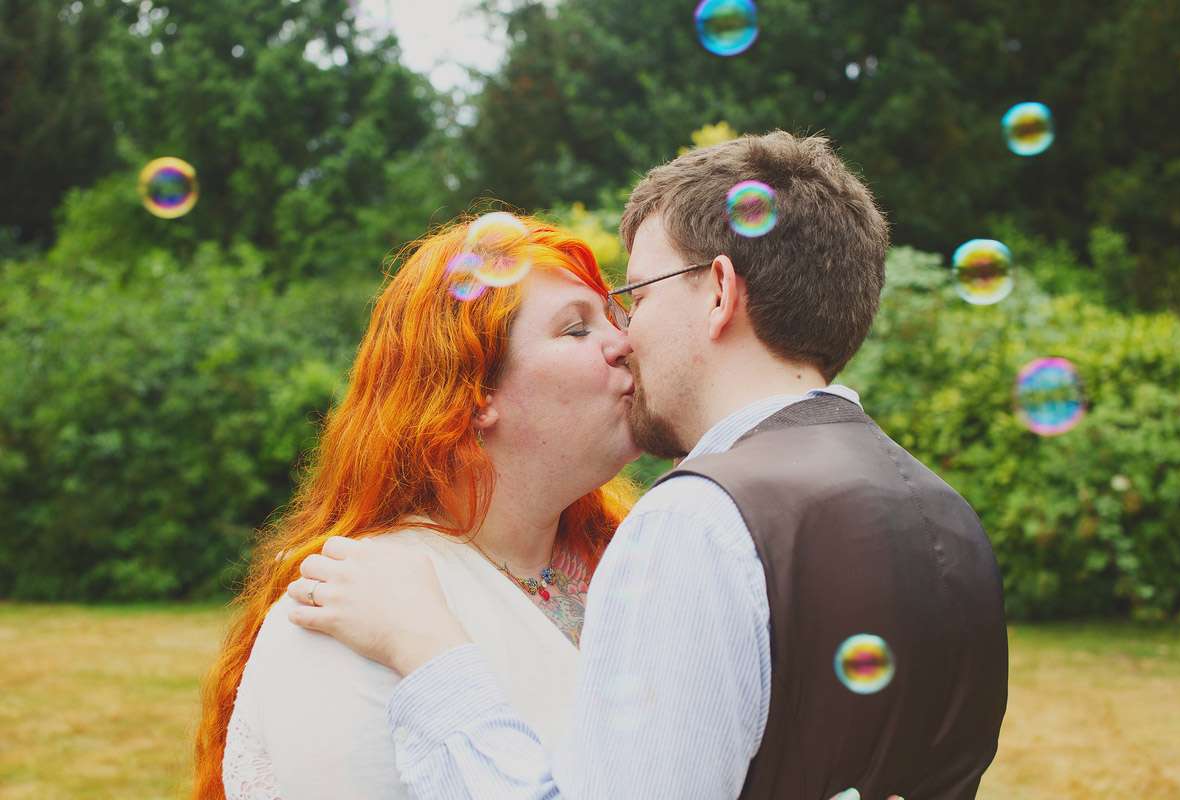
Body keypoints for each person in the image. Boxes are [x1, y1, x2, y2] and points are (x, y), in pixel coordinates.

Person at [289, 131, 1010, 800]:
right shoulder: (947, 513)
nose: (626, 337)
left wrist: (430, 653)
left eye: (636, 296)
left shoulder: (699, 520)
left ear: (719, 292)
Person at [191, 215, 643, 799]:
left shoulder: (627, 562)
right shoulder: (347, 606)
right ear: (475, 394)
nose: (625, 343)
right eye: (576, 330)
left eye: (613, 317)